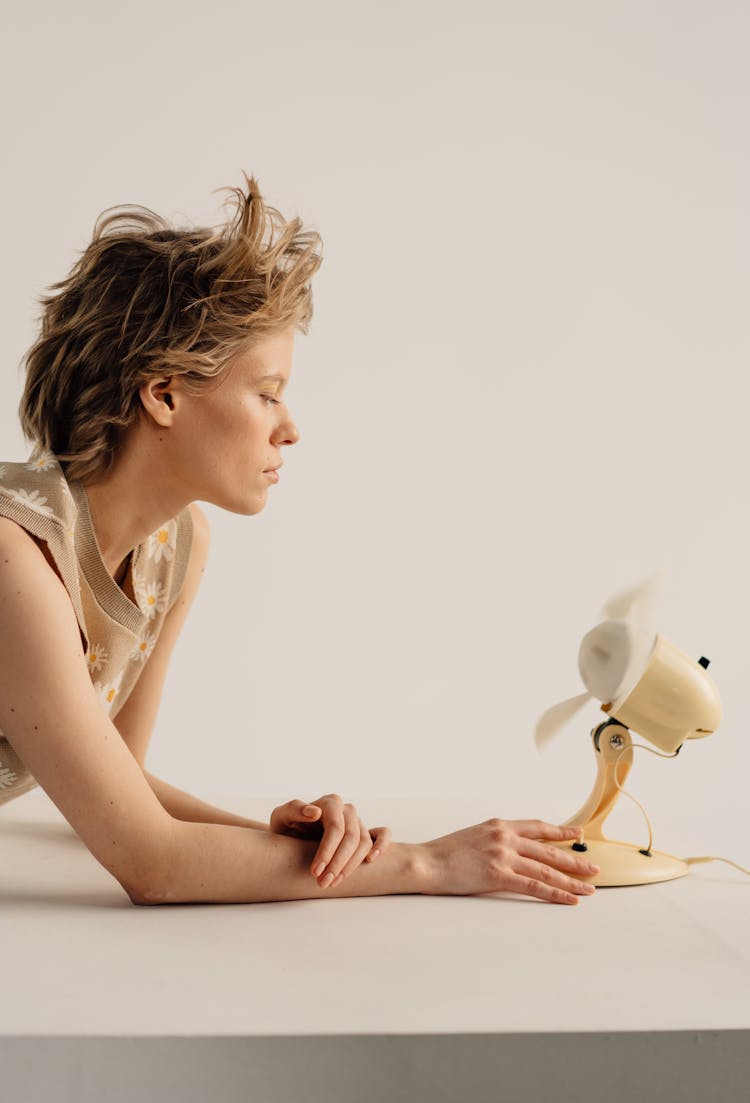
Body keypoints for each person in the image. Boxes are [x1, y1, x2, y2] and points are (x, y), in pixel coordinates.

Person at [0, 171, 599, 907]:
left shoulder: (176, 548)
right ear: (163, 394)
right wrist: (428, 864)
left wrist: (289, 846)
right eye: (268, 391)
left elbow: (119, 787)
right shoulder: (16, 560)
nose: (291, 426)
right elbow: (149, 861)